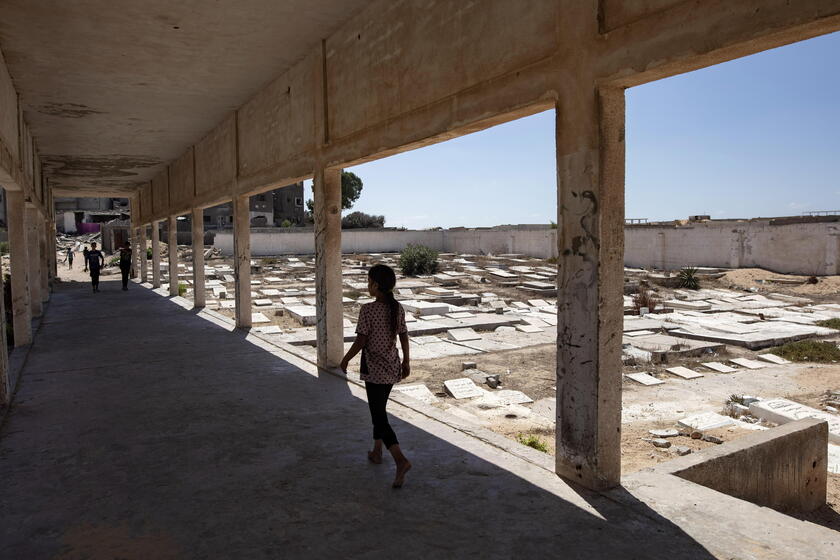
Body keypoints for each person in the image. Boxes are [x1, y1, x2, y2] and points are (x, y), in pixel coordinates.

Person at [340, 264, 412, 488]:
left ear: (376, 285)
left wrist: (345, 359)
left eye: (368, 280)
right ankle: (377, 451)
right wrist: (406, 361)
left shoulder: (368, 310)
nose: (367, 284)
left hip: (374, 370)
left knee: (378, 417)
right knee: (379, 409)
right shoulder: (396, 307)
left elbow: (361, 341)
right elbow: (404, 335)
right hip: (391, 368)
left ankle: (400, 459)